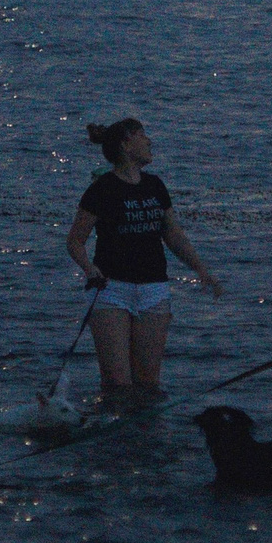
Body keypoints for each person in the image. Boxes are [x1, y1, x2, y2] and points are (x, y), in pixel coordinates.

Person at [65, 118, 221, 401]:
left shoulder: (155, 186)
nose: (149, 141)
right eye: (141, 135)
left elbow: (172, 234)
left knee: (148, 383)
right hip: (111, 291)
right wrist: (89, 269)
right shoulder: (102, 189)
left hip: (154, 291)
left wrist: (200, 268)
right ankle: (113, 435)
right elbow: (75, 240)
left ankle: (147, 440)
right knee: (118, 384)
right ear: (125, 145)